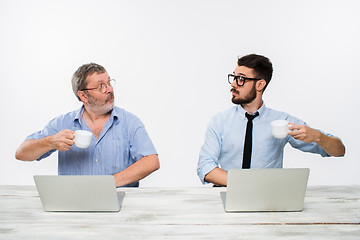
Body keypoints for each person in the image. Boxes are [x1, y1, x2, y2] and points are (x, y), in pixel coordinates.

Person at [197, 54, 345, 187]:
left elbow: (339, 151)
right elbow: (205, 167)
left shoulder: (282, 121)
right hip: (228, 193)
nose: (233, 84)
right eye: (234, 77)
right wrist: (245, 186)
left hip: (267, 201)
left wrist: (318, 137)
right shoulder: (219, 121)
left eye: (241, 79)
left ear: (260, 84)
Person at [15, 63, 160, 187]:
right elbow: (22, 153)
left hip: (119, 204)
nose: (109, 89)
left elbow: (151, 161)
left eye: (109, 83)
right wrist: (50, 141)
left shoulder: (129, 122)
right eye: (101, 86)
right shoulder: (62, 123)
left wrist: (107, 185)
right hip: (74, 205)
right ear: (83, 96)